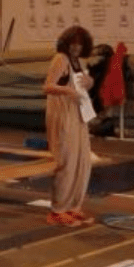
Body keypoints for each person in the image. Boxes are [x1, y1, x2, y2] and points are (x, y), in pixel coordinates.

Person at [43, 25, 95, 227]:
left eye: (80, 44)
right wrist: (67, 91)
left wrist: (89, 82)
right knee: (67, 161)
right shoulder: (60, 59)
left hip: (79, 113)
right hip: (62, 114)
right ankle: (58, 209)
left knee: (82, 162)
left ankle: (74, 206)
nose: (76, 48)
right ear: (67, 43)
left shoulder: (79, 62)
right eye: (73, 44)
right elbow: (47, 86)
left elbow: (82, 85)